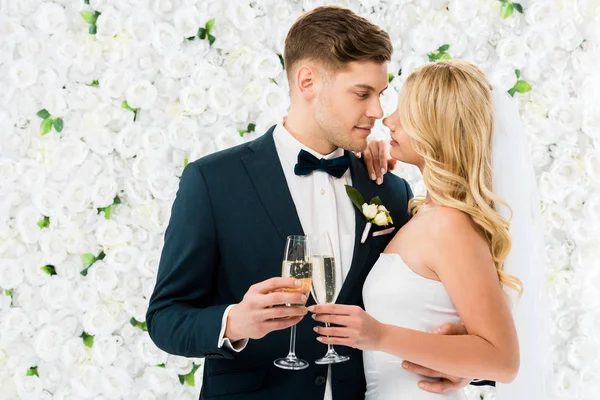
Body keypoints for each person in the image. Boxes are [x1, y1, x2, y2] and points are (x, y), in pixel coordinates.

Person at [146, 7, 488, 400]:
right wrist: (235, 322)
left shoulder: (389, 190)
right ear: (307, 80)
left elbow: (425, 309)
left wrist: (461, 367)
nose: (377, 112)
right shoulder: (212, 181)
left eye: (380, 94)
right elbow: (165, 318)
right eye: (362, 93)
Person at [310, 60, 548, 399]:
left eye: (405, 112)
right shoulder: (422, 212)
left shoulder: (451, 224)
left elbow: (503, 360)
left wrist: (379, 336)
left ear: (436, 127)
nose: (388, 120)